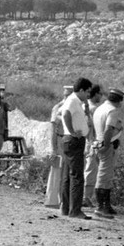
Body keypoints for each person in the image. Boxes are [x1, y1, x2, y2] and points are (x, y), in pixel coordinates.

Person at [58, 77, 94, 218]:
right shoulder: (73, 101)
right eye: (87, 92)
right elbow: (65, 114)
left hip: (70, 140)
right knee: (77, 176)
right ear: (81, 90)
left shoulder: (75, 101)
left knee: (68, 176)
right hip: (74, 140)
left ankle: (66, 208)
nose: (88, 95)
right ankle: (75, 210)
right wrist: (72, 131)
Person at [92, 88, 124, 218]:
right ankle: (101, 207)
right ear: (119, 100)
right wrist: (106, 145)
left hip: (98, 143)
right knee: (104, 176)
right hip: (106, 145)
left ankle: (106, 205)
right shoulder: (112, 111)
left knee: (105, 175)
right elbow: (108, 129)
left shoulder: (100, 108)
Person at [45, 84, 74, 209]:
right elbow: (53, 129)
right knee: (58, 171)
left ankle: (64, 200)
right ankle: (54, 200)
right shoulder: (58, 107)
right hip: (60, 139)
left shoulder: (74, 107)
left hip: (69, 140)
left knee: (67, 172)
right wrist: (53, 148)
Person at [81, 84, 104, 209]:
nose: (101, 96)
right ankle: (86, 197)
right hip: (92, 142)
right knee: (91, 170)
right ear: (96, 94)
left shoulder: (85, 106)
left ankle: (85, 196)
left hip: (85, 141)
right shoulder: (94, 108)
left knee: (87, 169)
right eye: (100, 94)